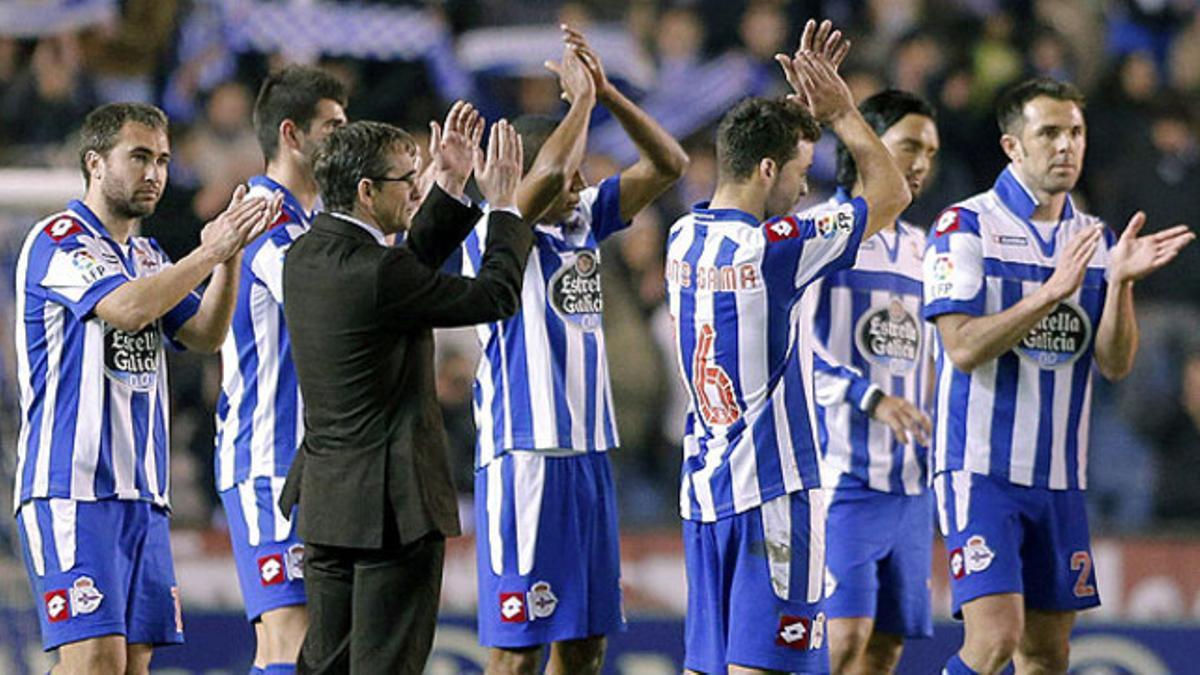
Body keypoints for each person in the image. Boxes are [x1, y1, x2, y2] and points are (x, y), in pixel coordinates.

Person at [665, 20, 912, 675]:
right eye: (802, 172)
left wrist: (793, 122)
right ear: (769, 169)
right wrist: (843, 114)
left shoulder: (683, 239)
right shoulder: (777, 248)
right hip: (776, 496)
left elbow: (762, 161)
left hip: (704, 496)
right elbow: (892, 194)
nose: (807, 189)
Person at [925, 77, 1194, 675]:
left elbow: (1115, 362)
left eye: (1075, 132)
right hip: (981, 469)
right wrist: (1047, 295)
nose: (1066, 145)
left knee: (1046, 654)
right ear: (1012, 146)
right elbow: (962, 347)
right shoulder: (964, 227)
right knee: (995, 638)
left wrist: (1119, 284)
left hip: (1059, 479)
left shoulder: (1092, 238)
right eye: (1048, 133)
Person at [12, 102, 278, 674]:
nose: (154, 172)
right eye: (138, 157)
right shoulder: (58, 238)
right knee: (95, 664)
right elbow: (127, 309)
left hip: (143, 496)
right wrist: (209, 250)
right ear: (94, 163)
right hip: (73, 488)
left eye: (161, 159)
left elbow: (206, 334)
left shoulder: (148, 256)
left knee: (132, 665)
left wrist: (227, 259)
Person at [461, 25, 687, 675]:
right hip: (525, 454)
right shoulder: (495, 230)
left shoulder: (583, 217)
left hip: (589, 453)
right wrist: (578, 103)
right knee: (517, 647)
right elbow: (551, 172)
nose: (585, 178)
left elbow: (668, 163)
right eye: (572, 171)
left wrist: (609, 95)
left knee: (586, 645)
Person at [279, 118, 531, 673]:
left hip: (328, 505)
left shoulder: (304, 256)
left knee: (325, 666)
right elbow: (495, 295)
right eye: (407, 180)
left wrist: (450, 188)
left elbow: (400, 276)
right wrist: (506, 208)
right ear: (366, 191)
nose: (416, 190)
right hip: (393, 511)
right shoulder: (380, 273)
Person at [798, 90, 939, 674]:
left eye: (930, 151)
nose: (921, 163)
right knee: (841, 640)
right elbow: (794, 346)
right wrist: (869, 397)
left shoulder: (924, 248)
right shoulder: (820, 231)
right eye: (909, 146)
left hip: (910, 483)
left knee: (884, 647)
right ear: (867, 144)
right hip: (842, 475)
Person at [212, 65, 347, 675]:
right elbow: (330, 302)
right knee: (290, 638)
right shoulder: (264, 216)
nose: (343, 141)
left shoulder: (311, 223)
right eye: (333, 128)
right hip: (268, 458)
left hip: (307, 463)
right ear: (292, 135)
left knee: (297, 643)